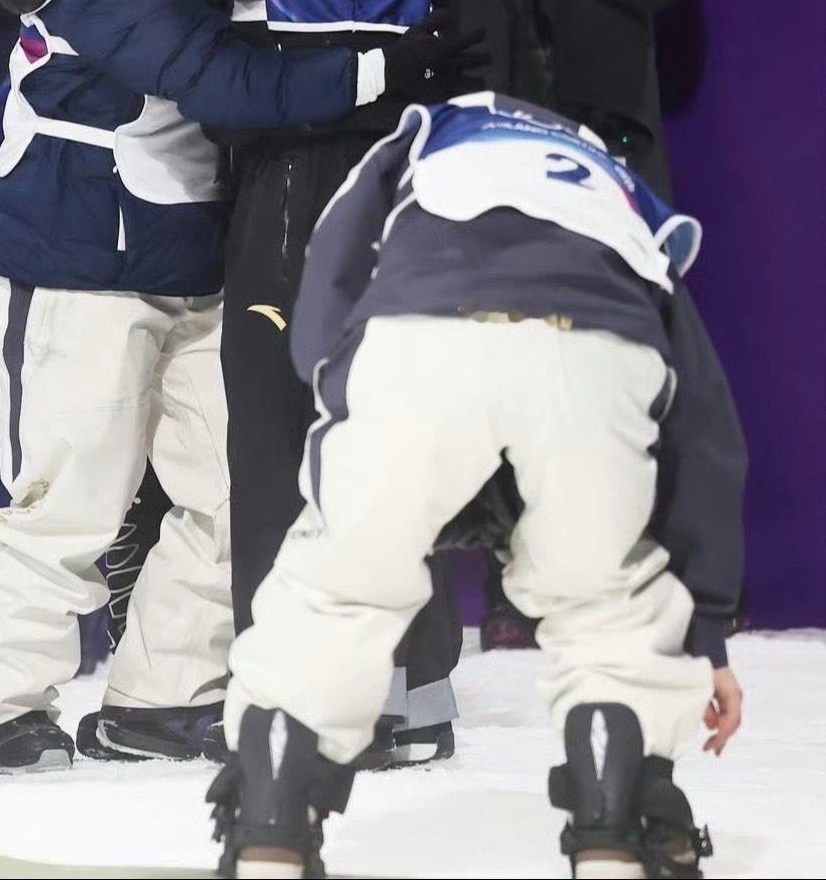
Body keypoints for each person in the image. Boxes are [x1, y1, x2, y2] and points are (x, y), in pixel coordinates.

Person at [0, 0, 470, 767]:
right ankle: (358, 690)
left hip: (328, 156)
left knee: (290, 432)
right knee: (299, 432)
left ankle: (331, 700)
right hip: (297, 151)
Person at [209, 92, 746, 880]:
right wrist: (703, 630)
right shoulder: (618, 191)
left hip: (420, 328)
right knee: (609, 609)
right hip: (593, 340)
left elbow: (327, 279)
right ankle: (615, 839)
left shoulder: (420, 137)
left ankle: (270, 832)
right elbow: (704, 431)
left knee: (336, 592)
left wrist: (356, 433)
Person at [444, 0, 704, 650]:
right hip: (487, 136)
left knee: (603, 370)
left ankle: (620, 585)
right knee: (498, 372)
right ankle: (519, 587)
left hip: (599, 141)